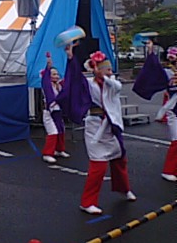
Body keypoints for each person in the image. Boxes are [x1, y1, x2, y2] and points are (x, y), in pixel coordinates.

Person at [57, 45, 136, 215]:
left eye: (108, 68)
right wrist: (71, 58)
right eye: (105, 68)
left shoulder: (114, 83)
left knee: (120, 159)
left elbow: (115, 87)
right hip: (95, 126)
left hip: (112, 125)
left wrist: (103, 75)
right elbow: (75, 79)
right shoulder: (88, 84)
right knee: (98, 165)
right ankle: (87, 202)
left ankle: (124, 188)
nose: (109, 71)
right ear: (96, 69)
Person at [132, 41, 177, 182]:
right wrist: (151, 52)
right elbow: (153, 69)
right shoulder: (168, 73)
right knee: (176, 142)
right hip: (173, 111)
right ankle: (168, 170)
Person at [40, 51, 70, 164]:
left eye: (57, 74)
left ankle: (59, 149)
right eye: (53, 74)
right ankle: (47, 153)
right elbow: (46, 76)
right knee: (53, 132)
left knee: (61, 130)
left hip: (58, 111)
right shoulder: (46, 84)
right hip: (49, 112)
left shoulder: (59, 85)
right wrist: (48, 64)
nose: (56, 76)